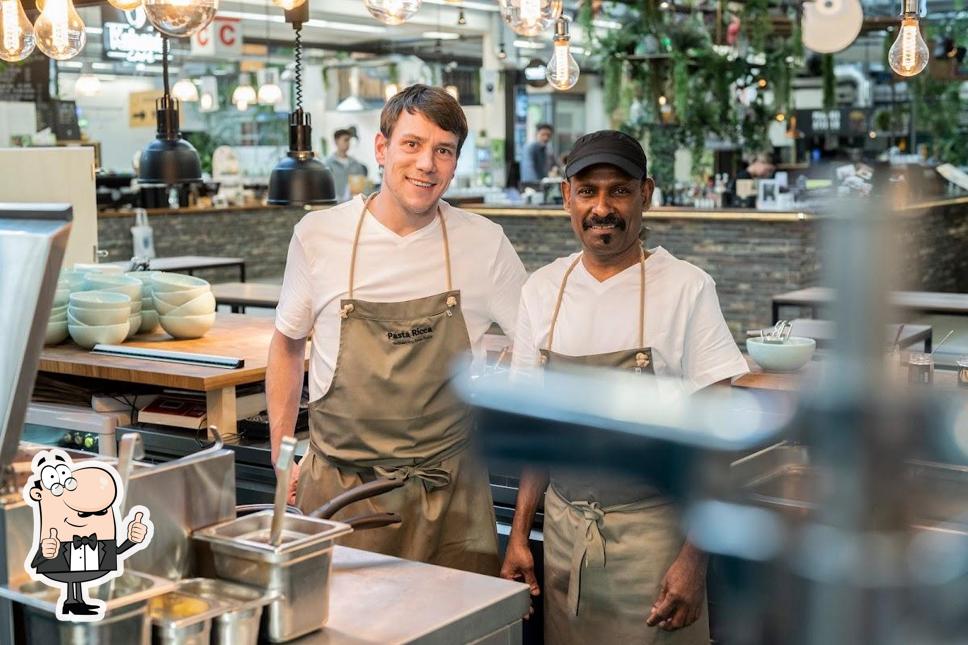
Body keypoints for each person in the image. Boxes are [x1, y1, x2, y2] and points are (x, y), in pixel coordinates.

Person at [267, 85, 527, 576]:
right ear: (382, 149)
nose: (427, 163)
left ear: (454, 164)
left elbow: (537, 347)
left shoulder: (483, 243)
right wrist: (283, 461)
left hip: (451, 497)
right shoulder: (319, 236)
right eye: (412, 144)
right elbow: (286, 344)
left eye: (443, 151)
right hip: (340, 496)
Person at [500, 130, 749, 643]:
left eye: (619, 190)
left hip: (657, 542)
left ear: (646, 194)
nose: (602, 208)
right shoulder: (543, 290)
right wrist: (521, 535)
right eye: (588, 191)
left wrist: (693, 561)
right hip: (567, 539)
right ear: (566, 195)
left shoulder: (686, 288)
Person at [325, 128, 369, 203]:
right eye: (345, 140)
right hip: (335, 205)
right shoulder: (328, 164)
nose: (348, 143)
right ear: (336, 142)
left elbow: (363, 186)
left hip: (353, 205)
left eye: (349, 140)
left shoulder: (355, 164)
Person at [520, 123, 555, 187]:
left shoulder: (546, 149)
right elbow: (529, 169)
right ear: (536, 134)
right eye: (543, 134)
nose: (546, 138)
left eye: (548, 135)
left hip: (541, 185)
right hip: (530, 186)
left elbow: (555, 164)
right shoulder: (530, 148)